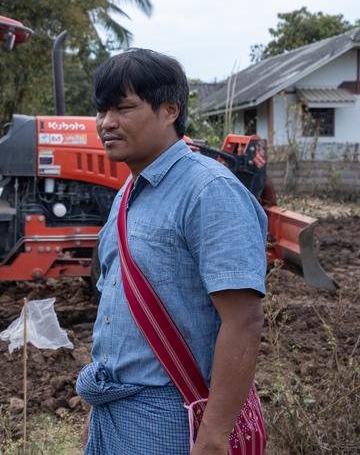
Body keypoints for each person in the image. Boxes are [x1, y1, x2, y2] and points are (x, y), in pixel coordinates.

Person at [76, 49, 267, 455]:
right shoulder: (127, 193)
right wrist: (99, 416)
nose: (106, 123)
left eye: (124, 108)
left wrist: (212, 439)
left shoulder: (209, 191)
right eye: (102, 110)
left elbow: (244, 320)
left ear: (169, 110)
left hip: (171, 416)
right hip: (114, 411)